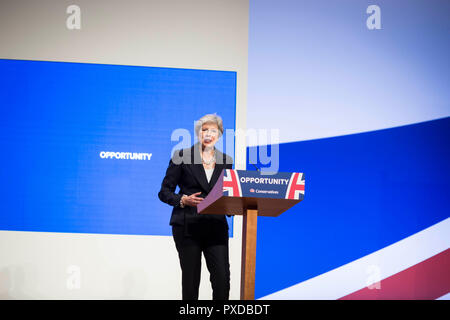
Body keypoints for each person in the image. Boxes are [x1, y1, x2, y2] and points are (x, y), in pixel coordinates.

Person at [158, 114, 233, 300]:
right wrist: (183, 199)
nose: (208, 134)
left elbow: (228, 193)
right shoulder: (181, 156)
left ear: (220, 134)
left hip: (215, 226)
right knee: (191, 281)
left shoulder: (226, 161)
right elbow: (164, 192)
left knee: (222, 279)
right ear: (198, 133)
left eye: (213, 131)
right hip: (188, 225)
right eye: (204, 130)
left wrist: (233, 205)